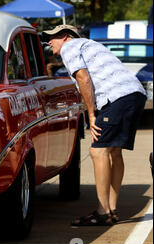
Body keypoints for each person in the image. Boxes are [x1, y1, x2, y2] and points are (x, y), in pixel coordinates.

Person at [42, 25, 147, 226]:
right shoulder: (90, 44)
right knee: (114, 151)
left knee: (98, 151)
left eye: (52, 37)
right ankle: (111, 210)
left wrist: (91, 114)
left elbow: (83, 77)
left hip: (116, 97)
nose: (49, 42)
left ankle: (102, 212)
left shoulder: (69, 47)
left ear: (65, 37)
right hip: (134, 94)